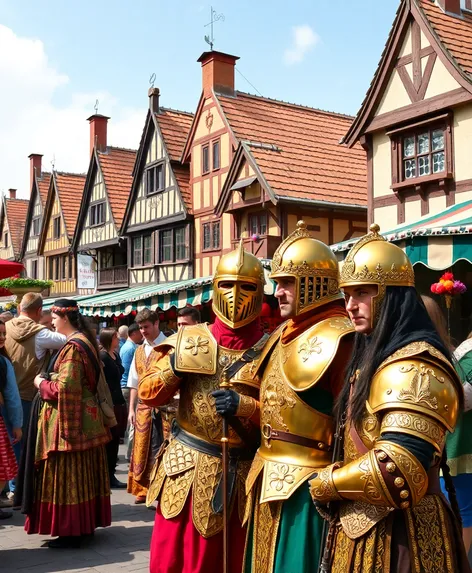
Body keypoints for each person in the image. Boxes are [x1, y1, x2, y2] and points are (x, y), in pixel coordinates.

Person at [308, 224, 469, 572]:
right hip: (360, 530)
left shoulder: (415, 366)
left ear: (391, 294)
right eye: (346, 294)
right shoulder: (372, 359)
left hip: (405, 536)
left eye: (363, 292)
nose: (350, 305)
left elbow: (401, 470)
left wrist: (328, 483)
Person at [139, 242, 269, 573]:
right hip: (188, 468)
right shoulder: (188, 338)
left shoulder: (274, 346)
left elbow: (288, 412)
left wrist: (247, 406)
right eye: (227, 284)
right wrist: (176, 368)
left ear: (260, 292)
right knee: (177, 561)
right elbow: (148, 394)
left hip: (246, 471)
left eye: (246, 287)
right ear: (214, 288)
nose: (235, 295)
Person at [239, 221, 354, 573]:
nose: (278, 293)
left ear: (315, 283)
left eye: (288, 283)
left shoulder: (340, 339)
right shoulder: (279, 335)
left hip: (308, 484)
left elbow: (353, 427)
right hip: (266, 469)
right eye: (277, 283)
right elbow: (273, 407)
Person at [24, 299, 111, 548]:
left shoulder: (74, 347)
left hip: (71, 425)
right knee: (84, 472)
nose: (51, 321)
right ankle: (83, 525)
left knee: (67, 475)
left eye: (53, 317)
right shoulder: (86, 342)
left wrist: (41, 383)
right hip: (89, 419)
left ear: (64, 317)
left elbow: (67, 389)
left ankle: (71, 530)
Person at [424, 295, 472, 554]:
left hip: (455, 452)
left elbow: (458, 400)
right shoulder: (465, 353)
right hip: (445, 451)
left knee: (461, 514)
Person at [5, 293, 65, 498]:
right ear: (39, 311)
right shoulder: (41, 334)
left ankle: (11, 488)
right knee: (26, 443)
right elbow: (69, 339)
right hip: (29, 394)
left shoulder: (8, 326)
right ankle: (19, 488)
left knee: (10, 443)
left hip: (7, 393)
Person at [126, 309, 166, 503]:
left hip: (165, 407)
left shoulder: (168, 346)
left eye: (146, 327)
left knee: (161, 448)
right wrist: (131, 409)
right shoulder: (139, 350)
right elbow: (134, 382)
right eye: (140, 328)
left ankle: (162, 489)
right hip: (143, 408)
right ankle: (142, 487)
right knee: (141, 448)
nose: (143, 331)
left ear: (156, 324)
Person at [0, 319, 22, 519]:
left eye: (3, 333)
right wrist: (17, 424)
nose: (2, 338)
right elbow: (12, 396)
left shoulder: (3, 362)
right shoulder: (3, 362)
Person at [99, 328, 126, 489]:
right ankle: (107, 475)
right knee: (110, 440)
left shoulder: (114, 354)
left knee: (116, 439)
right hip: (109, 403)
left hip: (118, 401)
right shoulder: (103, 356)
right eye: (116, 337)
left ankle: (111, 473)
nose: (118, 339)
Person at [120, 322, 143, 460]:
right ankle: (131, 454)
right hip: (129, 388)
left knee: (131, 422)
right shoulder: (130, 348)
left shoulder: (129, 346)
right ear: (134, 333)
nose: (142, 333)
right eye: (141, 330)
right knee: (133, 422)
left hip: (127, 387)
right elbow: (129, 372)